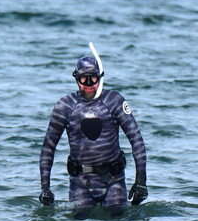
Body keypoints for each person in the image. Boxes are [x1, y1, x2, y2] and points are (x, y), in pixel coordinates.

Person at [39, 54, 147, 210]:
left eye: (93, 78)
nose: (88, 84)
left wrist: (141, 182)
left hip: (113, 181)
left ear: (100, 78)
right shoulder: (65, 106)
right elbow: (48, 148)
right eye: (84, 79)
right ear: (76, 79)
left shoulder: (114, 101)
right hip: (80, 182)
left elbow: (136, 139)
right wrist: (45, 188)